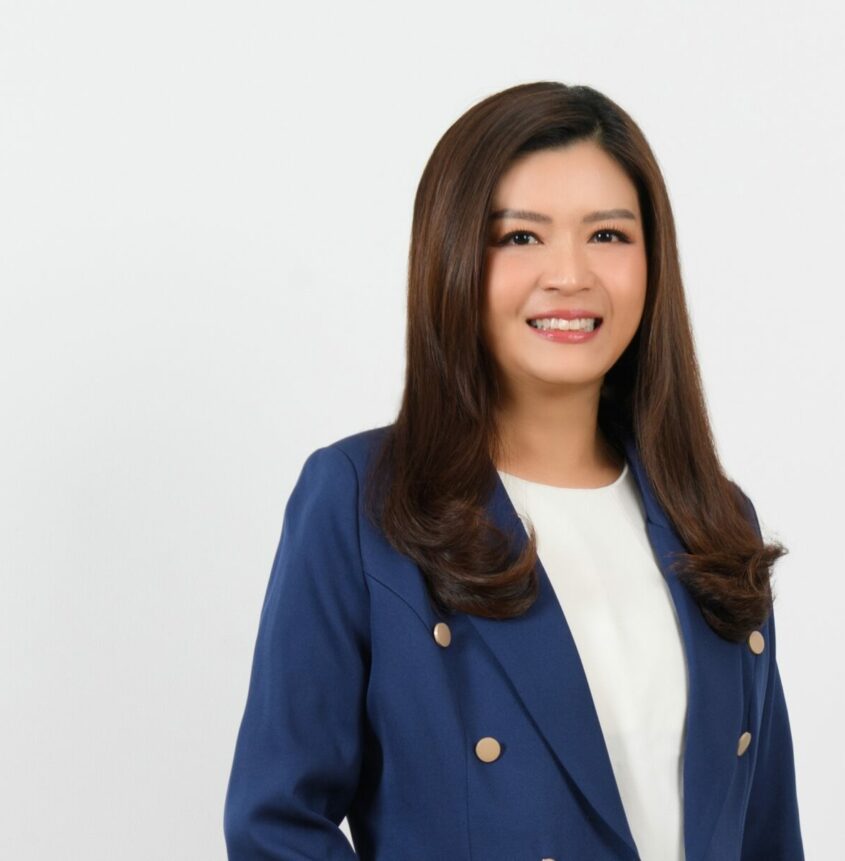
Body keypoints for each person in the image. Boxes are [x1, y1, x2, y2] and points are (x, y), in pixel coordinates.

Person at [223, 81, 804, 860]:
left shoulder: (715, 519)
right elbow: (276, 825)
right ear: (453, 257)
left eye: (608, 234)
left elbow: (768, 836)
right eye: (522, 236)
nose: (570, 274)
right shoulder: (363, 502)